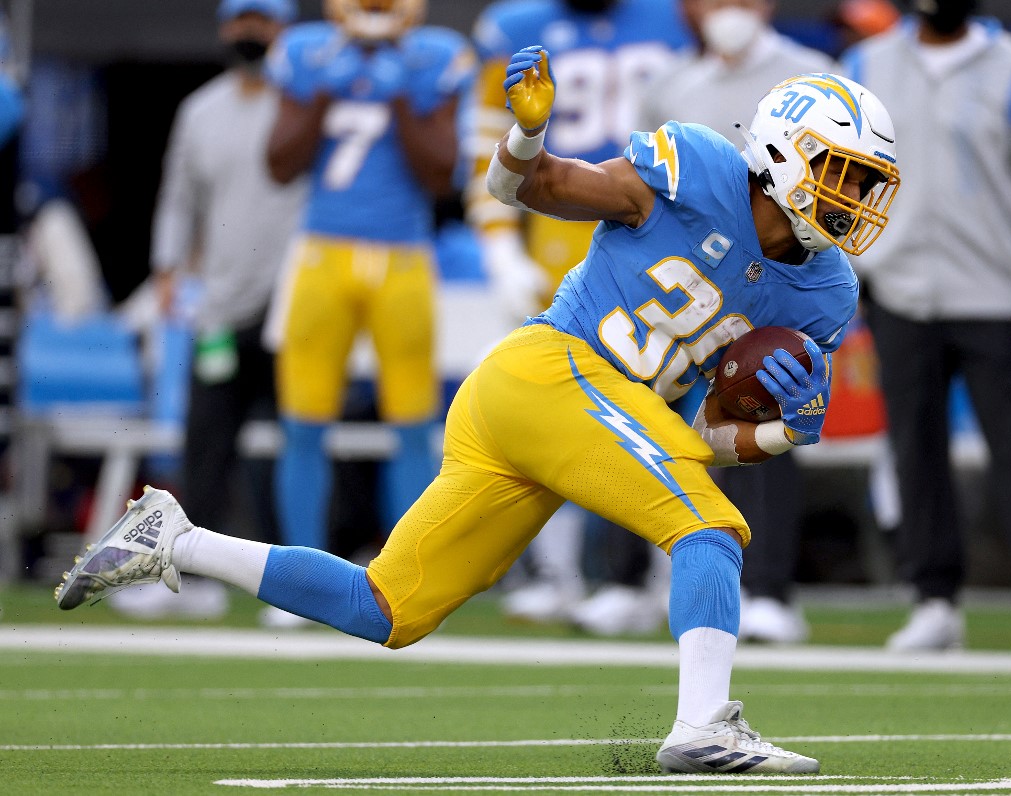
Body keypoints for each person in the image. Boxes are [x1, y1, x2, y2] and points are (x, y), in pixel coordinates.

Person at [55, 55, 901, 773]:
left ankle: (172, 537)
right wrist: (524, 134)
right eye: (846, 171)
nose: (856, 196)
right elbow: (530, 187)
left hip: (569, 415)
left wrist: (786, 428)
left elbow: (700, 439)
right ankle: (702, 726)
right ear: (785, 152)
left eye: (867, 183)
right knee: (709, 532)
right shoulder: (697, 169)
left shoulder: (825, 291)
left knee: (388, 610)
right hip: (546, 371)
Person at [466, 0, 691, 629]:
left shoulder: (673, 20)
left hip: (657, 228)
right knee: (552, 408)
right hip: (556, 224)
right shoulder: (514, 27)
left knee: (667, 401)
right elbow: (485, 135)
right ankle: (559, 575)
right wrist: (499, 245)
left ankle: (668, 570)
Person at [259, 0, 476, 625]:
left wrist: (402, 95)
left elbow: (441, 176)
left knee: (411, 424)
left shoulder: (433, 57)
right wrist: (328, 95)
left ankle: (403, 579)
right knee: (303, 420)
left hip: (404, 257)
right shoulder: (308, 52)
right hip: (322, 253)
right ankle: (299, 581)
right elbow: (278, 163)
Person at [639, 0, 836, 644]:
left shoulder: (815, 74)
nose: (728, 9)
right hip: (685, 284)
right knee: (638, 404)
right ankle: (628, 580)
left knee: (771, 391)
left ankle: (772, 587)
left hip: (772, 285)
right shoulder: (671, 82)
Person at [109, 0, 307, 619]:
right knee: (207, 444)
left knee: (299, 442)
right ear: (225, 29)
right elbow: (177, 197)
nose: (250, 31)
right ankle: (192, 581)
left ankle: (301, 581)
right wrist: (168, 268)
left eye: (263, 19)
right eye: (241, 19)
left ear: (286, 29)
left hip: (295, 304)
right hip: (221, 302)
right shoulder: (200, 111)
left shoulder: (307, 107)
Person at [842, 0, 1011, 651]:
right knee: (915, 449)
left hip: (995, 290)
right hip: (900, 288)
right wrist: (852, 268)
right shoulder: (866, 63)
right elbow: (844, 174)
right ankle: (933, 599)